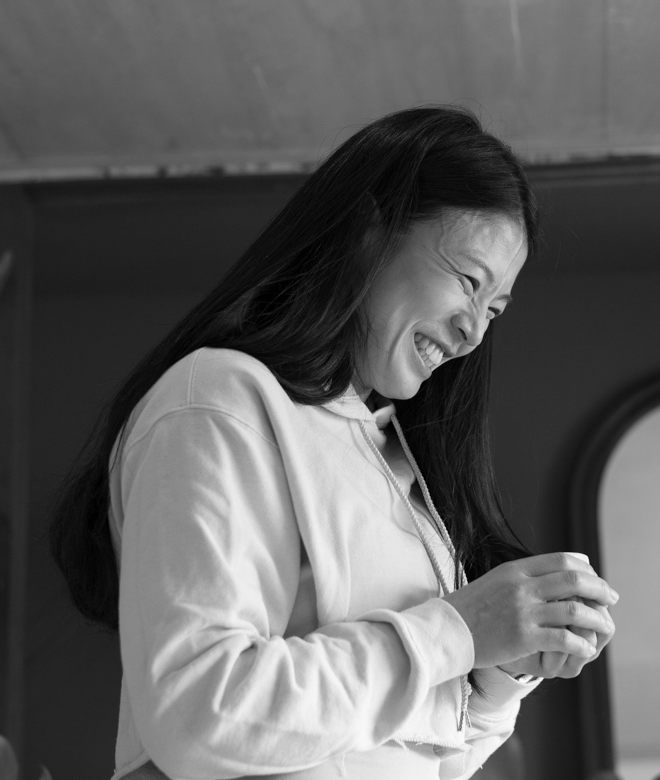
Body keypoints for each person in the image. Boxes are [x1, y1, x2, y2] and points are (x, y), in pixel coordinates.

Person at [49, 106, 618, 780]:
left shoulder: (397, 462)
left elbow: (414, 760)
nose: (473, 331)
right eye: (469, 281)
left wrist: (493, 672)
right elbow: (199, 714)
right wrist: (456, 630)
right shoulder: (220, 396)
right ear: (368, 232)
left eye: (494, 310)